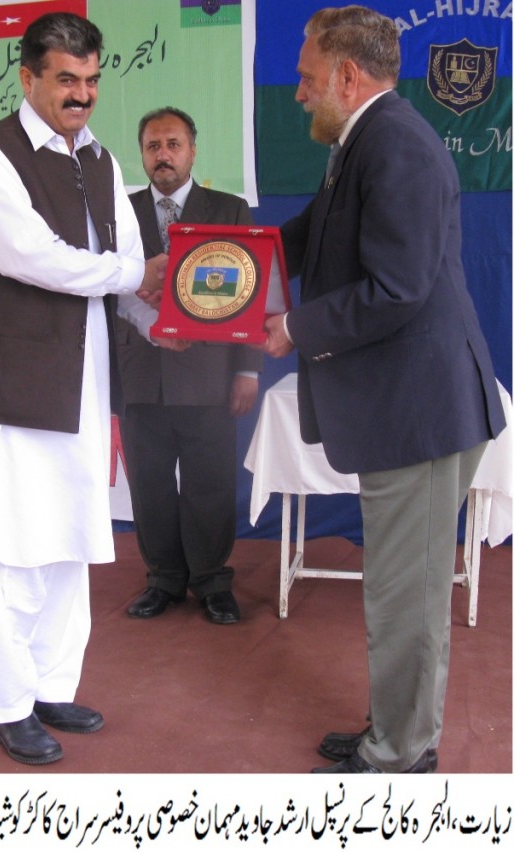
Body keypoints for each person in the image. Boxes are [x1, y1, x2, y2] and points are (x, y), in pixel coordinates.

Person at [263, 6, 506, 773]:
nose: (297, 92)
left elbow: (396, 288)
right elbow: (306, 234)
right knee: (402, 591)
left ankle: (401, 751)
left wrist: (293, 328)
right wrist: (221, 262)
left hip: (421, 415)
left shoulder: (392, 143)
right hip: (410, 408)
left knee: (407, 596)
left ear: (346, 75)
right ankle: (394, 727)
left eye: (305, 78)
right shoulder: (362, 138)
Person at [0, 12, 165, 765]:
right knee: (6, 547)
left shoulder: (100, 162)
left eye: (92, 81)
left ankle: (51, 684)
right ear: (27, 75)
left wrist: (172, 312)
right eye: (66, 79)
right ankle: (8, 702)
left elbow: (126, 269)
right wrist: (134, 279)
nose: (81, 96)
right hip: (5, 382)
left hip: (78, 381)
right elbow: (29, 255)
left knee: (68, 535)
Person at [116, 107, 263, 625]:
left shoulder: (229, 209)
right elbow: (107, 292)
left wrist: (247, 370)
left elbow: (250, 295)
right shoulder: (121, 213)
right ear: (143, 154)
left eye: (173, 144)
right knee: (150, 485)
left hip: (209, 374)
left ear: (192, 151)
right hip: (141, 376)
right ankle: (163, 580)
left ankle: (211, 581)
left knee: (210, 482)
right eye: (153, 146)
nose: (163, 155)